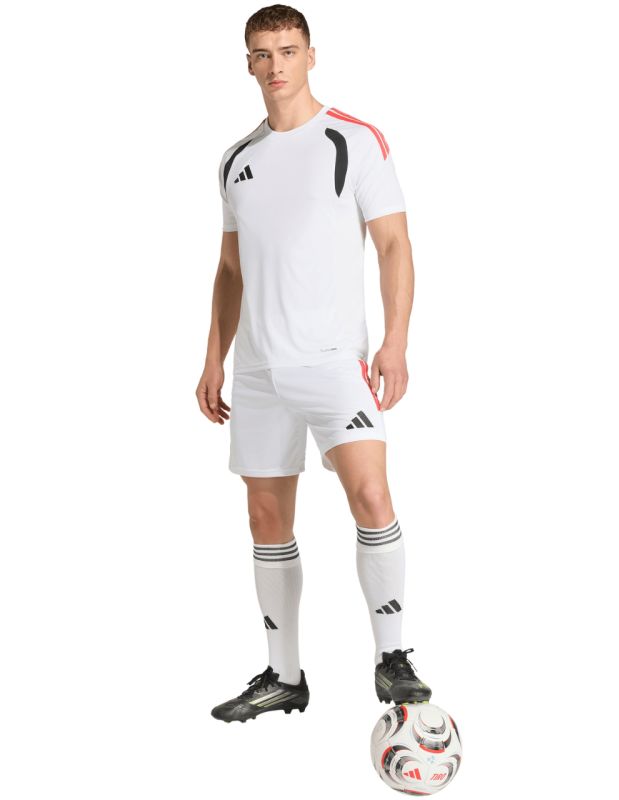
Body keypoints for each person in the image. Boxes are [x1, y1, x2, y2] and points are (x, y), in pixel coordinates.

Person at [197, 5, 432, 723]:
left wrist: (394, 341)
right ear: (247, 63)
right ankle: (284, 675)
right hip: (258, 370)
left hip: (333, 361)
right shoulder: (236, 159)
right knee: (265, 515)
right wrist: (213, 360)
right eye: (262, 54)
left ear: (311, 55)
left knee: (371, 497)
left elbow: (393, 244)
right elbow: (231, 270)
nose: (275, 66)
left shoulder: (354, 140)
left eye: (288, 50)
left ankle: (393, 658)